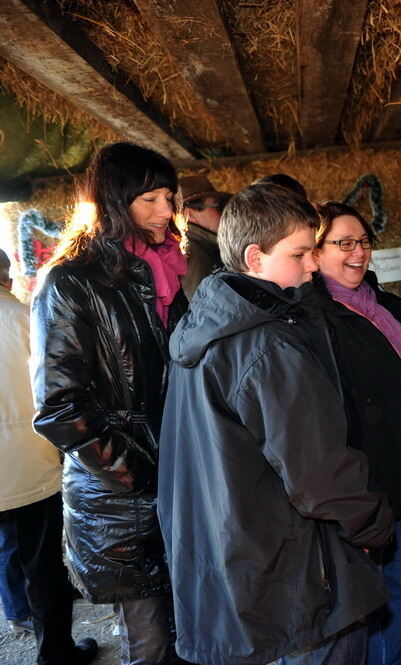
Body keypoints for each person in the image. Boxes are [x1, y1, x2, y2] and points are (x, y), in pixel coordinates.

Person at [158, 185, 394, 665]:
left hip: (240, 566)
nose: (312, 266)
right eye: (300, 253)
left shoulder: (202, 327)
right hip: (297, 579)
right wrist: (374, 525)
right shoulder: (268, 347)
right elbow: (318, 475)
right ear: (255, 256)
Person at [30, 142, 188, 665]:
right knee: (151, 646)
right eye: (151, 199)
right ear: (115, 202)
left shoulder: (163, 273)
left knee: (191, 633)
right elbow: (58, 407)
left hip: (178, 483)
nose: (167, 211)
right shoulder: (70, 282)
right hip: (121, 500)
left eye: (169, 196)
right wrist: (143, 475)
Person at [312, 202, 401, 665]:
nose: (357, 252)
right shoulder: (315, 319)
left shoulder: (385, 305)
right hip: (360, 484)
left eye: (363, 241)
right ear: (316, 251)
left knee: (393, 588)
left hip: (400, 473)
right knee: (366, 598)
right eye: (342, 243)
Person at [2, 248, 99, 665]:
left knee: (7, 547)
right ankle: (55, 653)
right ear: (5, 275)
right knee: (43, 564)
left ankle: (15, 610)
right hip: (27, 463)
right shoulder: (21, 319)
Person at [178, 174, 231, 299]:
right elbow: (196, 306)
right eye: (218, 206)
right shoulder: (194, 251)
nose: (224, 213)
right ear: (189, 215)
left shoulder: (203, 246)